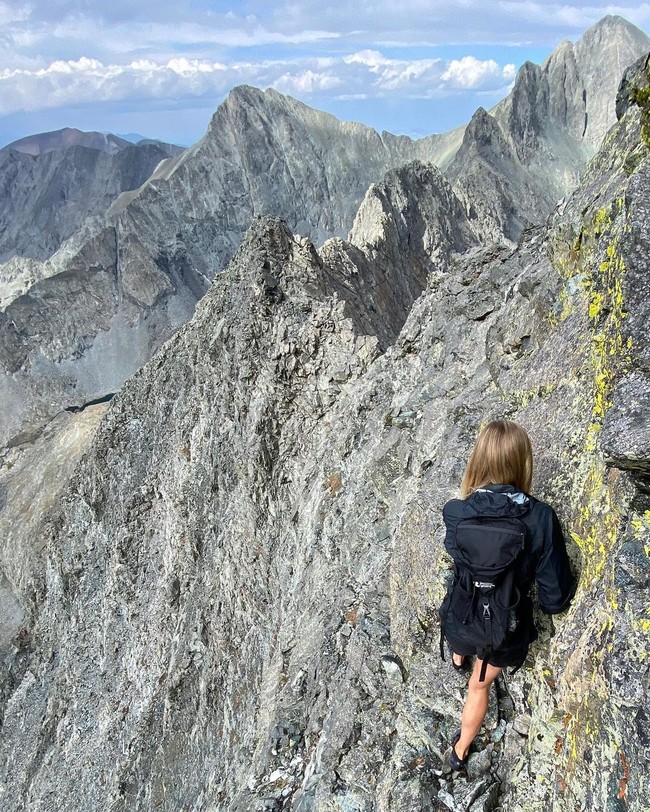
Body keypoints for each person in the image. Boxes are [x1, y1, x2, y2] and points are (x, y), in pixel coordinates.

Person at [439, 419, 575, 771]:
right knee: (478, 687)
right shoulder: (540, 518)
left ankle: (458, 657)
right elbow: (554, 598)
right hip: (503, 629)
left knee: (463, 630)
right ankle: (459, 752)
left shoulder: (456, 512)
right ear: (522, 462)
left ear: (478, 460)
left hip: (459, 617)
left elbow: (460, 564)